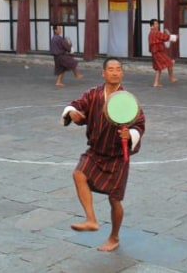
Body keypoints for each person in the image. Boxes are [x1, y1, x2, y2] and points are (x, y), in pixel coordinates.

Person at [61, 58, 145, 252]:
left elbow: (139, 124)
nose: (115, 73)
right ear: (103, 73)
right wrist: (72, 113)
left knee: (114, 200)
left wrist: (130, 134)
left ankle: (114, 237)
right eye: (111, 69)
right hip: (95, 152)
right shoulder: (93, 94)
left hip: (117, 157)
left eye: (118, 70)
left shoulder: (127, 99)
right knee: (78, 174)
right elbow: (76, 105)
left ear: (122, 73)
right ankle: (91, 219)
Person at [148, 19, 177, 87]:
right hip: (158, 52)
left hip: (155, 52)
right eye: (156, 24)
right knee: (170, 62)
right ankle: (171, 78)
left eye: (157, 24)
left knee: (158, 68)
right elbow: (165, 37)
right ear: (152, 25)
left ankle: (156, 83)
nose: (157, 25)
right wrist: (175, 37)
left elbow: (163, 37)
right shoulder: (155, 32)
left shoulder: (151, 33)